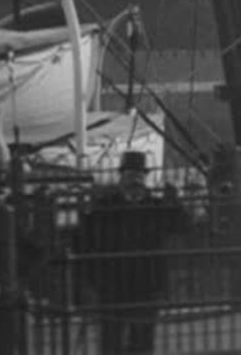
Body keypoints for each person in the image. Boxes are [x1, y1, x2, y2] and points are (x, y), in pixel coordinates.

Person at [78, 151, 190, 355]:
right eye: (130, 175)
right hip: (112, 286)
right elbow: (86, 241)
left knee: (143, 343)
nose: (135, 180)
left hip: (147, 285)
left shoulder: (156, 206)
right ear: (121, 178)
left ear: (145, 179)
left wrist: (176, 205)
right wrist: (91, 282)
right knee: (111, 342)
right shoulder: (104, 207)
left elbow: (182, 227)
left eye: (139, 176)